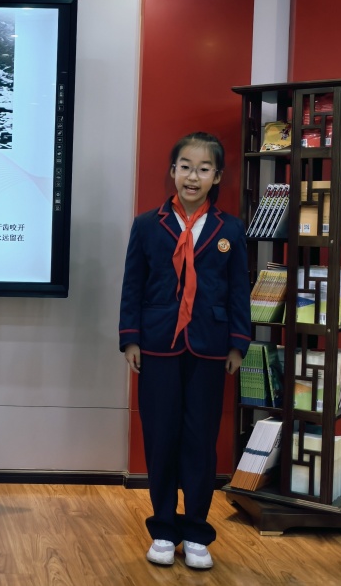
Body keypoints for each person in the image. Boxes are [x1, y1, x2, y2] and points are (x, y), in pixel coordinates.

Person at [118, 132, 251, 570]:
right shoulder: (146, 225)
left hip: (210, 346)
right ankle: (162, 528)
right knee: (160, 438)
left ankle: (195, 531)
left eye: (204, 169)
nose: (193, 177)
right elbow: (133, 285)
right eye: (186, 167)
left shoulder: (230, 229)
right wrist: (131, 337)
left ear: (218, 176)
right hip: (158, 344)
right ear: (173, 171)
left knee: (200, 440)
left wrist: (238, 343)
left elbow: (238, 291)